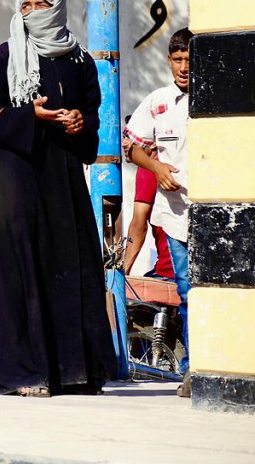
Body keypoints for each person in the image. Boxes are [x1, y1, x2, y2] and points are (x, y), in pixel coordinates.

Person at [0, 0, 117, 397]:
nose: (34, 11)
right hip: (19, 178)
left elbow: (92, 118)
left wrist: (78, 124)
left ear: (58, 7)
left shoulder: (81, 61)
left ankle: (74, 373)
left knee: (68, 264)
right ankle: (20, 373)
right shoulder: (6, 55)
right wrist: (28, 116)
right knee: (21, 266)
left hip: (64, 179)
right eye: (27, 4)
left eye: (42, 3)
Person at [122, 27, 192, 397]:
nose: (183, 67)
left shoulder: (216, 99)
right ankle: (192, 368)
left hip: (209, 213)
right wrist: (156, 168)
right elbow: (132, 147)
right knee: (187, 289)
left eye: (189, 60)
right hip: (174, 217)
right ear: (169, 60)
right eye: (177, 59)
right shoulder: (158, 102)